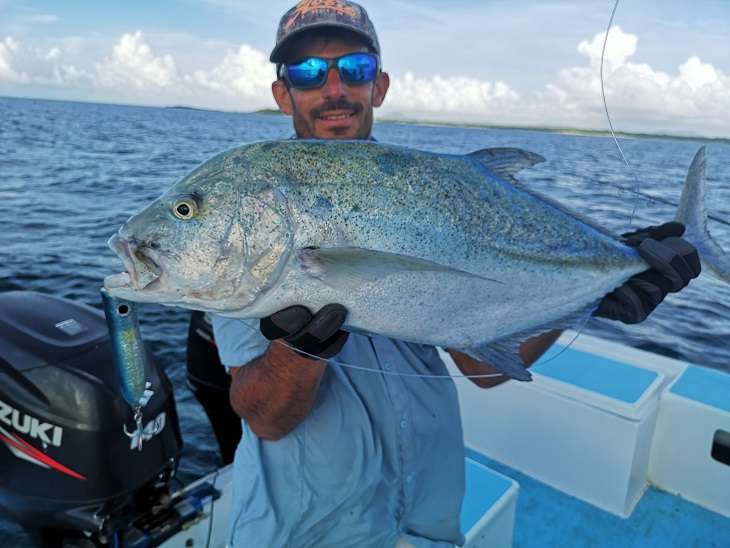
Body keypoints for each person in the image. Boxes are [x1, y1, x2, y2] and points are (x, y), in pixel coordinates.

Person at [187, 1, 701, 546]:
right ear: (282, 93)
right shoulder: (253, 208)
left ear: (379, 86)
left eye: (354, 69)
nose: (333, 88)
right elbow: (264, 419)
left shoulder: (435, 192)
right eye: (309, 72)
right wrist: (299, 349)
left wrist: (599, 296)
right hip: (311, 530)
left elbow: (484, 368)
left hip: (431, 520)